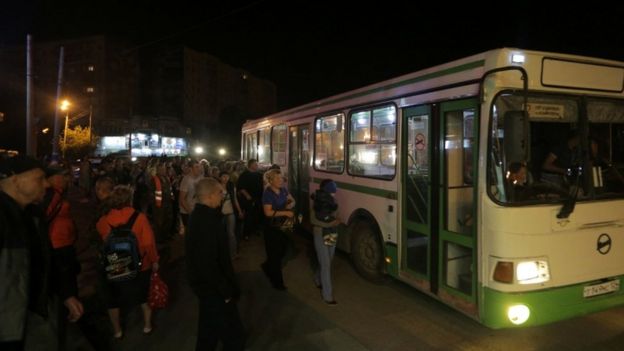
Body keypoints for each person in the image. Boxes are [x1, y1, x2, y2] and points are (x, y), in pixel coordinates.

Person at [0, 155, 83, 350]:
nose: (46, 184)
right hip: (7, 325)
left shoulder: (33, 215)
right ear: (15, 180)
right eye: (39, 178)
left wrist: (66, 294)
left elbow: (45, 260)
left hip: (32, 316)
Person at [186, 178, 246, 351]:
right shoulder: (207, 222)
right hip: (214, 289)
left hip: (207, 287)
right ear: (211, 196)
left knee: (208, 330)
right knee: (234, 336)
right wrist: (225, 290)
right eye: (221, 193)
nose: (223, 196)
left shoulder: (201, 216)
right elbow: (207, 262)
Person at [96, 185, 159, 339]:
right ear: (130, 199)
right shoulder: (140, 217)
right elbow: (148, 243)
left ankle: (117, 330)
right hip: (140, 264)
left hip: (114, 264)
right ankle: (147, 325)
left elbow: (102, 239)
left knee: (113, 300)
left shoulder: (104, 220)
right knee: (144, 297)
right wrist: (154, 261)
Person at [43, 165, 84, 349]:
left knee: (68, 280)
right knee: (65, 282)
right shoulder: (51, 195)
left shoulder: (58, 193)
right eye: (64, 176)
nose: (68, 179)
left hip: (64, 244)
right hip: (58, 246)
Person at [260, 169, 294, 290]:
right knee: (274, 255)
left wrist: (290, 204)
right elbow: (268, 212)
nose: (281, 181)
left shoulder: (283, 190)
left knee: (283, 250)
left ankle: (267, 265)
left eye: (282, 178)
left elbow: (292, 200)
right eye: (278, 178)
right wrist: (285, 211)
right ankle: (277, 282)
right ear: (271, 180)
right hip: (271, 227)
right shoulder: (268, 193)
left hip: (283, 225)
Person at [310, 179, 341, 305]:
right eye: (332, 189)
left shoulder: (334, 201)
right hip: (320, 232)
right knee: (326, 264)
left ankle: (317, 278)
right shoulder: (316, 202)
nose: (334, 192)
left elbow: (336, 216)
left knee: (328, 260)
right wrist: (329, 223)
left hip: (331, 232)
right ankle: (327, 296)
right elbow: (313, 220)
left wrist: (334, 222)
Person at [219, 171, 244, 259]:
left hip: (230, 212)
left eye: (227, 176)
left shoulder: (231, 186)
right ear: (220, 177)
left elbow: (235, 199)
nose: (225, 178)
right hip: (220, 213)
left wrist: (239, 211)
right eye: (223, 176)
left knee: (231, 234)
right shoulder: (216, 186)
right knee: (221, 234)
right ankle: (221, 253)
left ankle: (233, 253)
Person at [236, 159, 263, 240]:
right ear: (250, 165)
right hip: (248, 199)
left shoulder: (259, 174)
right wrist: (247, 195)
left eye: (257, 164)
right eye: (255, 164)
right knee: (249, 216)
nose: (257, 165)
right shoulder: (244, 174)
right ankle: (246, 233)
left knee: (257, 214)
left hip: (258, 197)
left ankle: (255, 230)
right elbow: (241, 187)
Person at [179, 160, 204, 233]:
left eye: (199, 167)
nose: (199, 169)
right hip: (187, 211)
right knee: (190, 233)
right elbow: (182, 199)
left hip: (197, 209)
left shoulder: (200, 178)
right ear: (191, 169)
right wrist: (191, 212)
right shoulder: (186, 180)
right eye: (196, 167)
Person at [312, 179, 339, 246]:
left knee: (328, 253)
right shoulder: (318, 201)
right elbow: (313, 220)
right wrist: (333, 222)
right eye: (332, 192)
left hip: (331, 231)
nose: (334, 194)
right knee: (325, 255)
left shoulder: (317, 199)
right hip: (321, 231)